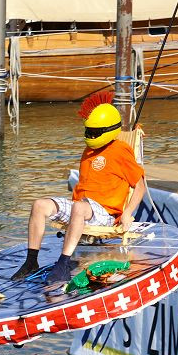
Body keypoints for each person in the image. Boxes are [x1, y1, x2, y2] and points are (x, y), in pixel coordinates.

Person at [13, 102, 146, 283]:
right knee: (39, 205)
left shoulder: (120, 150)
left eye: (94, 133)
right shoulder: (89, 150)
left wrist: (128, 213)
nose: (90, 136)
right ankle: (31, 261)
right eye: (88, 132)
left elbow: (140, 185)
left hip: (105, 213)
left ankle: (63, 264)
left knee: (79, 208)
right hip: (82, 206)